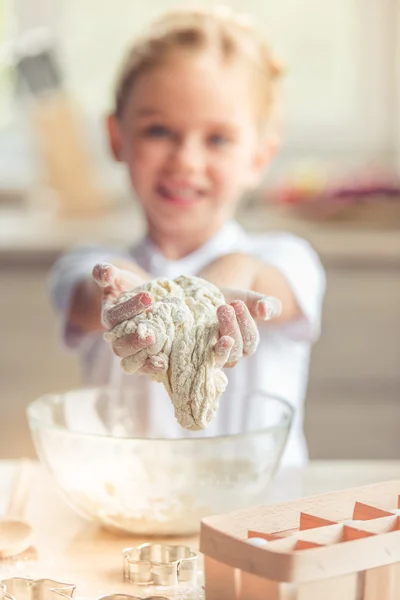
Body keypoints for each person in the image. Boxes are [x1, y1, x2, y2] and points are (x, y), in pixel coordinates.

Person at [49, 6, 325, 465]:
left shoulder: (287, 258)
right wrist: (129, 303)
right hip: (130, 514)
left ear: (259, 157)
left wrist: (231, 277)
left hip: (260, 515)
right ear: (117, 139)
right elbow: (85, 297)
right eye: (159, 131)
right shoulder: (90, 265)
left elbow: (268, 285)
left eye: (217, 139)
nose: (186, 161)